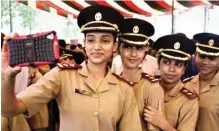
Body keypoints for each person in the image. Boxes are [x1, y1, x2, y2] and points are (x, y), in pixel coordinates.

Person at [1, 5, 142, 131]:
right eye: (91, 40)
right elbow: (10, 110)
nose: (97, 47)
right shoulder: (62, 76)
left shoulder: (124, 89)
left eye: (105, 41)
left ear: (115, 46)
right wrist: (8, 76)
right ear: (84, 43)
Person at [143, 34, 199, 131]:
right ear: (158, 64)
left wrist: (163, 124)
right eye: (167, 62)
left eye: (178, 64)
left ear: (184, 69)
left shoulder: (188, 101)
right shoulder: (146, 88)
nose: (171, 69)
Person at [117, 18, 164, 131]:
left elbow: (154, 129)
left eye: (139, 48)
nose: (133, 54)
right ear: (118, 48)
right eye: (127, 46)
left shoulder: (152, 87)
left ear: (145, 51)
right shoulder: (111, 81)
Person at [184, 33, 219, 131]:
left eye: (212, 58)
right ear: (195, 56)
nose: (205, 62)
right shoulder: (187, 84)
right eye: (202, 56)